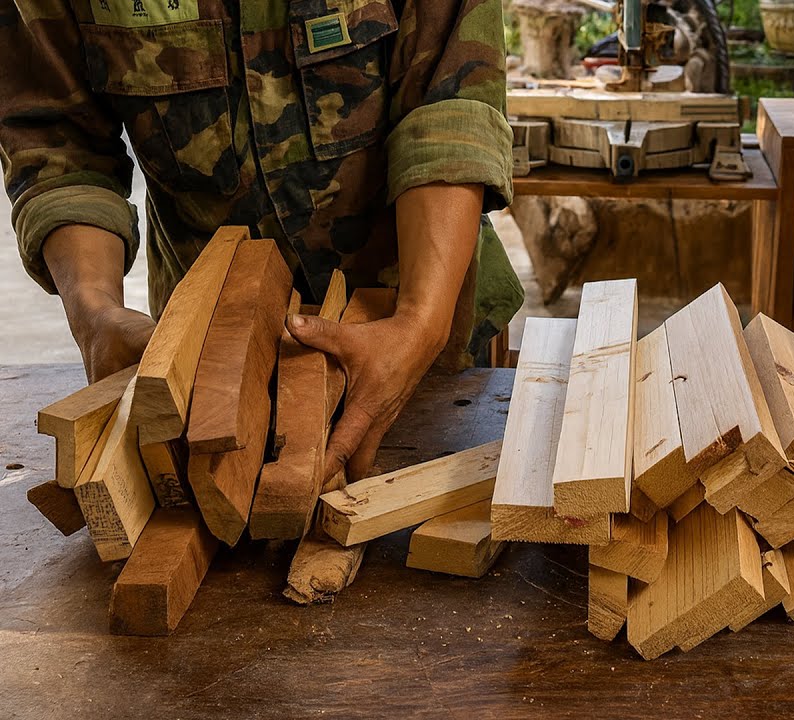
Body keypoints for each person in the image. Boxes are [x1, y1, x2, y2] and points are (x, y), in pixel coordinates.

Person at [0, 0, 524, 482]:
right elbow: (57, 140)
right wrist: (95, 314)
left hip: (418, 322)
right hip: (208, 360)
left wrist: (419, 323)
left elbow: (451, 102)